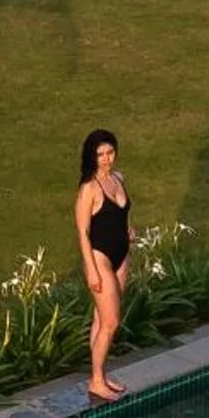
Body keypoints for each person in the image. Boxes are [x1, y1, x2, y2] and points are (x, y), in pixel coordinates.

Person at [74, 128, 130, 400]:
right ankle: (96, 380)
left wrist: (129, 229)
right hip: (100, 258)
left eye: (110, 152)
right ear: (92, 157)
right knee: (111, 321)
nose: (107, 159)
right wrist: (92, 271)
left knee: (101, 318)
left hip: (122, 255)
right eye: (101, 154)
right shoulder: (89, 188)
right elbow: (83, 232)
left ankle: (100, 375)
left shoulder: (118, 178)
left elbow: (123, 212)